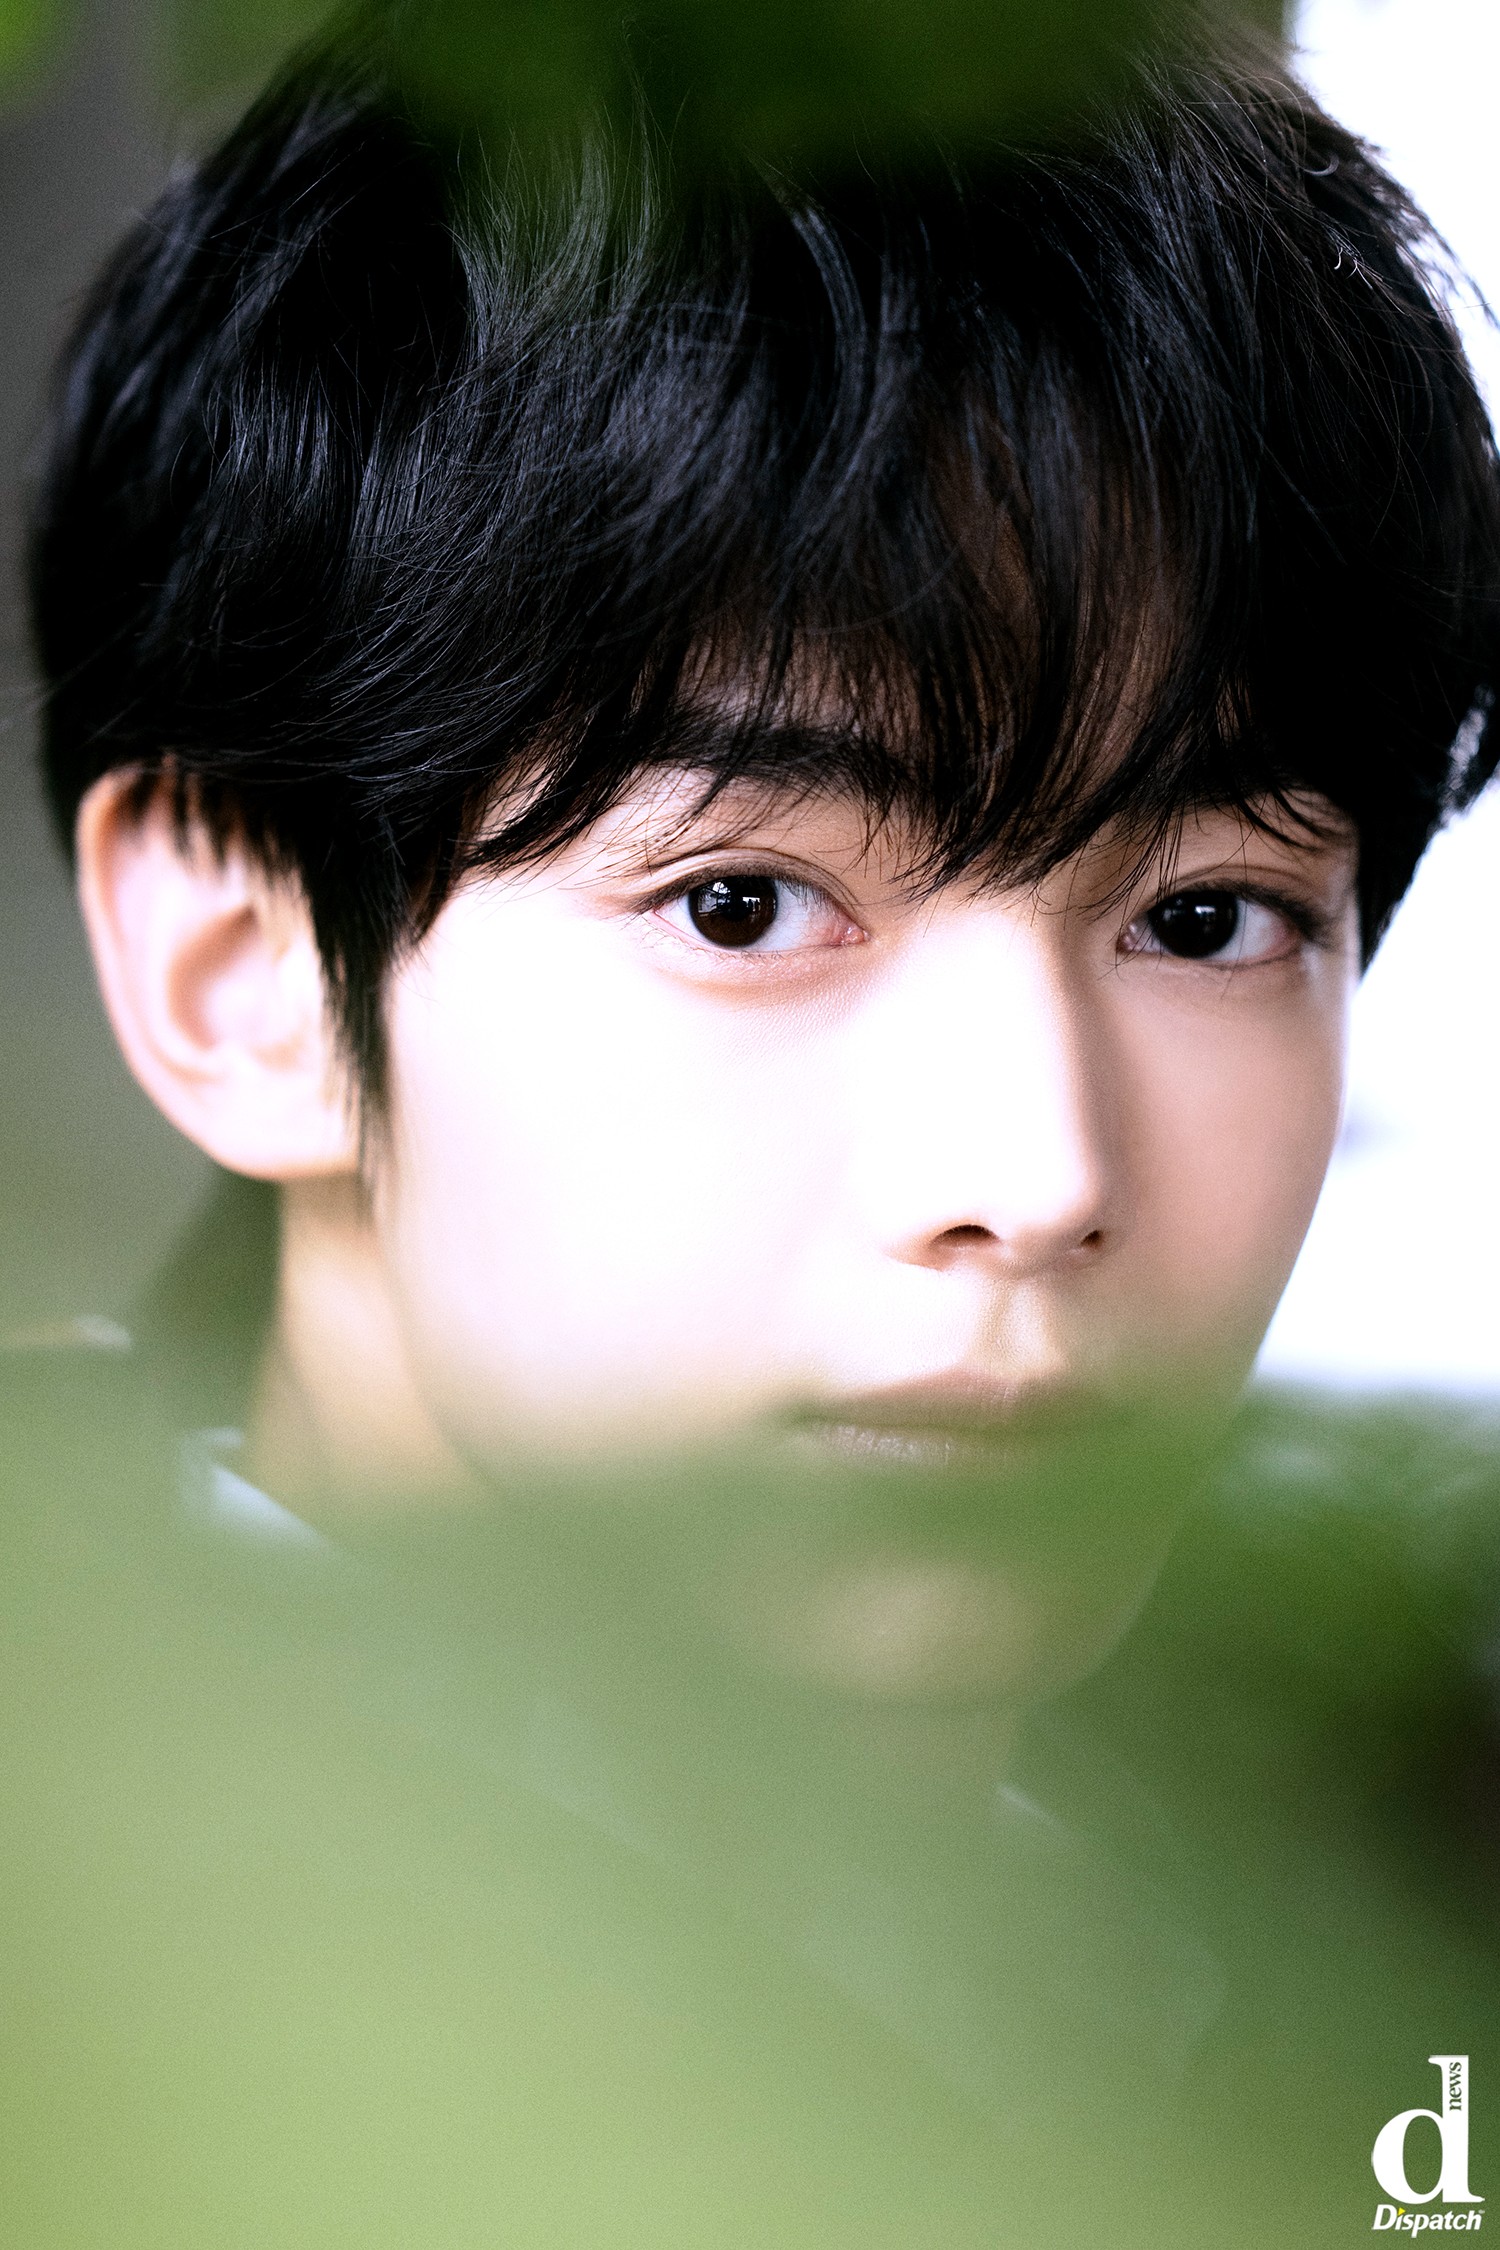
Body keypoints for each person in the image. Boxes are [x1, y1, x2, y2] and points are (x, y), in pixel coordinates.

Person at [8, 20, 1500, 2244]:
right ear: (244, 972)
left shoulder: (1331, 1948)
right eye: (744, 904)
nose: (1041, 1176)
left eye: (1206, 918)